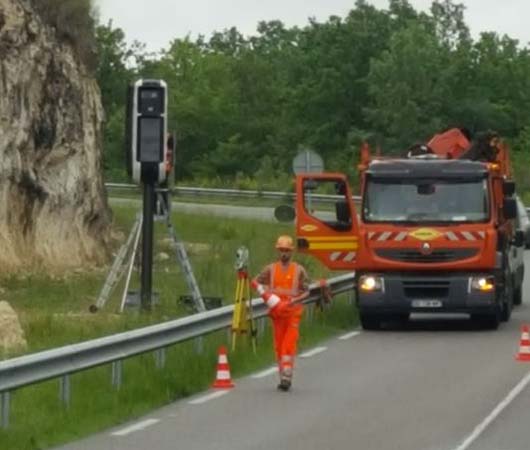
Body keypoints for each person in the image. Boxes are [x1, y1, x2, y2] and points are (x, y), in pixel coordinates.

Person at [251, 235, 310, 391]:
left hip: (292, 313)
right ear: (278, 251)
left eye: (287, 251)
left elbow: (306, 292)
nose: (284, 253)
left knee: (288, 346)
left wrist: (293, 301)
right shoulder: (270, 269)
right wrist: (266, 296)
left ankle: (287, 376)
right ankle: (282, 376)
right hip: (277, 315)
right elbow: (257, 282)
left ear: (291, 252)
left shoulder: (298, 270)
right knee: (278, 346)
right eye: (281, 250)